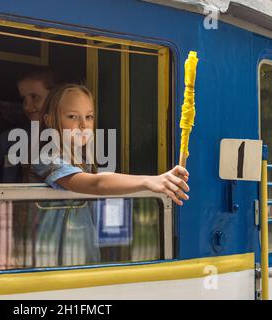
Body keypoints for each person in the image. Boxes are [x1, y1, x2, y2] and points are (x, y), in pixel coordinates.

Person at [28, 84, 190, 267]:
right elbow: (96, 185)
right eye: (72, 116)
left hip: (82, 260)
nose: (83, 124)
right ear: (50, 121)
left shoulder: (85, 162)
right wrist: (151, 181)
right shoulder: (46, 159)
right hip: (53, 263)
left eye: (88, 117)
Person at [0, 67, 59, 183]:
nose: (26, 106)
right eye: (24, 99)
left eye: (34, 97)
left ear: (55, 97)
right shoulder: (12, 137)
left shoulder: (70, 138)